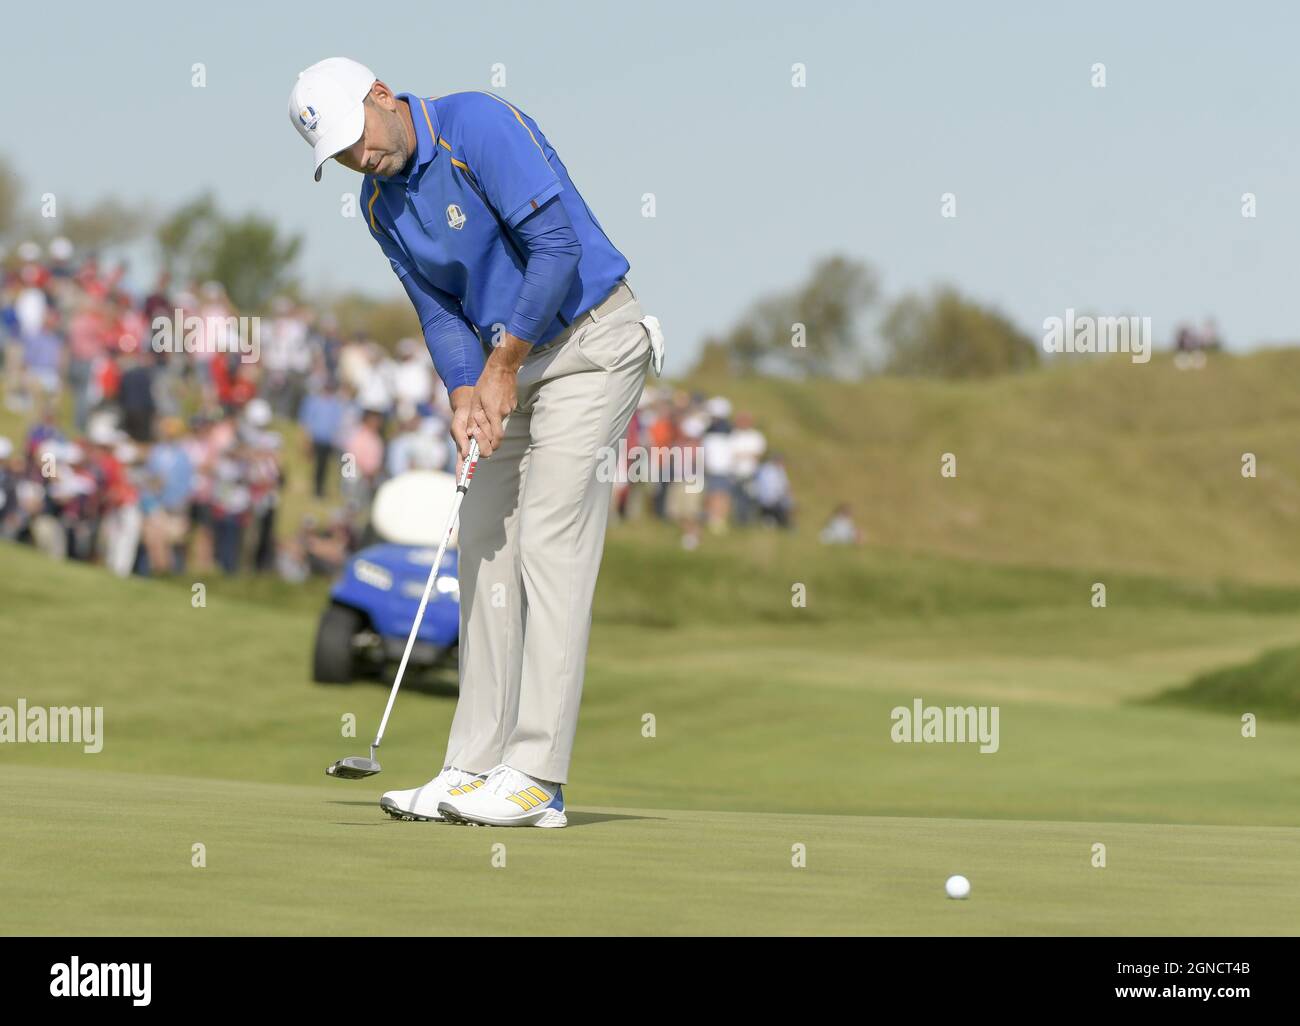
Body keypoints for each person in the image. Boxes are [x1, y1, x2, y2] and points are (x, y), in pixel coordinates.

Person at [289, 57, 661, 827]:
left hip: (591, 342)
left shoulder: (476, 125)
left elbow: (556, 249)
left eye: (360, 138)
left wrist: (500, 367)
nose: (364, 159)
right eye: (345, 157)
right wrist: (466, 392)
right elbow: (437, 311)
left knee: (547, 542)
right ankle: (473, 766)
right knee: (483, 548)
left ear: (382, 97)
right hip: (505, 364)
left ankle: (536, 780)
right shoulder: (379, 205)